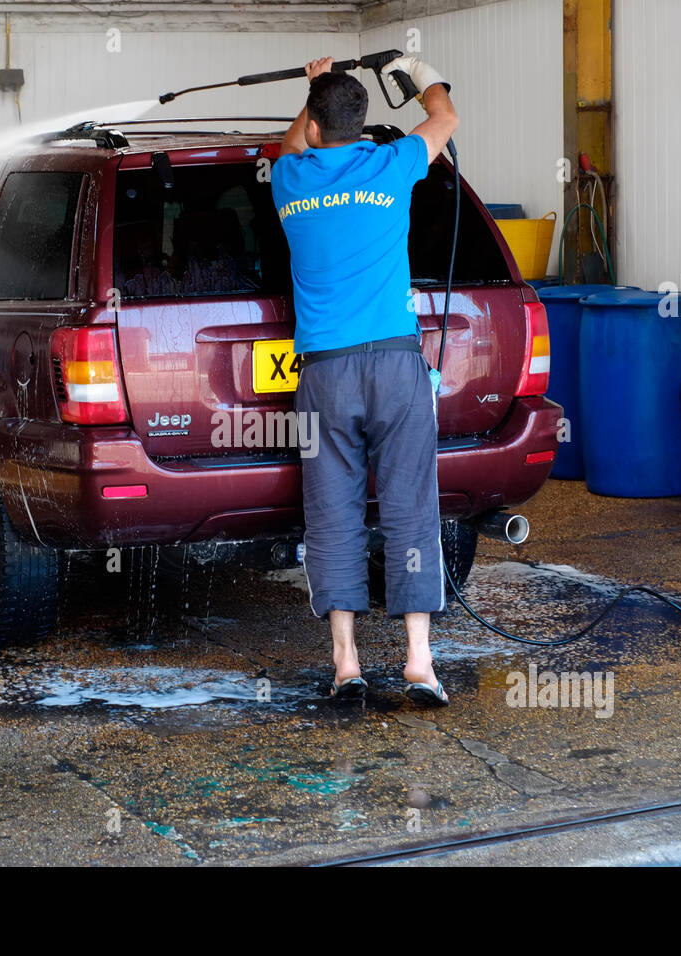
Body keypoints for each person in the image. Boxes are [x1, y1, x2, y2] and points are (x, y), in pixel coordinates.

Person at [271, 55, 458, 706]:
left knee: (332, 513)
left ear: (317, 126)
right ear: (362, 123)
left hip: (325, 373)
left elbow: (294, 140)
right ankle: (418, 661)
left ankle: (347, 664)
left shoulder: (290, 178)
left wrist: (313, 84)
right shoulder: (394, 164)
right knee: (410, 507)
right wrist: (415, 68)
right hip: (394, 364)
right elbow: (445, 116)